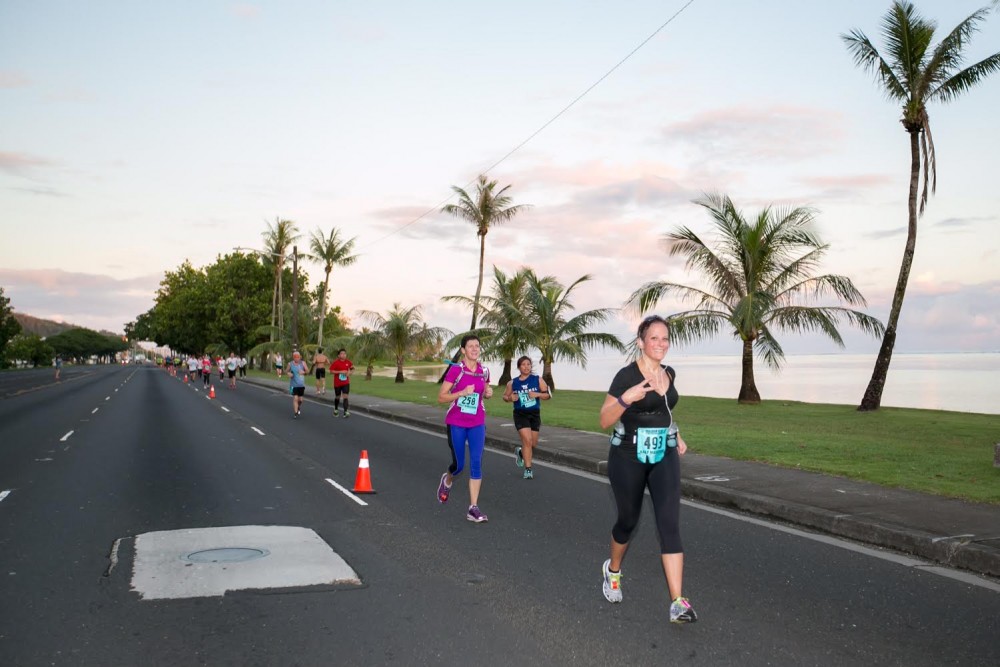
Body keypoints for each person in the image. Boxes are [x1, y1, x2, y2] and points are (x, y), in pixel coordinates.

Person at [598, 315, 696, 624]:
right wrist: (626, 400)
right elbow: (604, 419)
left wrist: (676, 434)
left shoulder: (669, 372)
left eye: (665, 338)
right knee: (628, 520)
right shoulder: (626, 376)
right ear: (641, 342)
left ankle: (678, 602)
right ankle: (613, 570)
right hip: (627, 455)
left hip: (663, 455)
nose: (661, 344)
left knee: (669, 524)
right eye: (654, 338)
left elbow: (664, 411)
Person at [436, 334, 493, 523]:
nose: (475, 349)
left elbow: (484, 390)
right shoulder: (456, 371)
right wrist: (461, 392)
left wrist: (488, 392)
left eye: (477, 346)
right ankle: (448, 479)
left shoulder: (484, 371)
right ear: (463, 350)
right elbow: (442, 397)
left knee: (476, 462)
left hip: (477, 423)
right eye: (471, 346)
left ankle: (473, 508)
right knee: (459, 466)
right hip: (457, 423)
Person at [502, 356, 551, 480]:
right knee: (528, 441)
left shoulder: (538, 380)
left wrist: (537, 394)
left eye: (528, 364)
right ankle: (528, 470)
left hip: (534, 414)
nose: (526, 367)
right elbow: (505, 396)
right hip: (520, 414)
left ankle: (520, 452)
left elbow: (548, 395)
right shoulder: (512, 383)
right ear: (519, 367)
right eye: (523, 364)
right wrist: (509, 398)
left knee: (533, 444)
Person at [330, 348, 354, 417]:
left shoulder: (348, 362)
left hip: (346, 383)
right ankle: (336, 409)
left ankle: (345, 412)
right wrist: (340, 371)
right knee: (338, 396)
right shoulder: (336, 362)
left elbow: (353, 368)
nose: (343, 355)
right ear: (338, 355)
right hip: (337, 383)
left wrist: (349, 373)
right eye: (341, 354)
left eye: (344, 354)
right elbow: (331, 371)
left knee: (345, 396)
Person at [288, 350, 309, 418]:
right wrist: (289, 373)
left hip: (301, 385)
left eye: (298, 357)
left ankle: (298, 406)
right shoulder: (290, 364)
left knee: (300, 400)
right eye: (295, 357)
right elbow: (286, 371)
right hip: (293, 385)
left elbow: (307, 371)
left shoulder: (303, 363)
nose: (297, 358)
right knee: (295, 399)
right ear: (293, 357)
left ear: (300, 357)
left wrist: (304, 372)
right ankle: (295, 412)